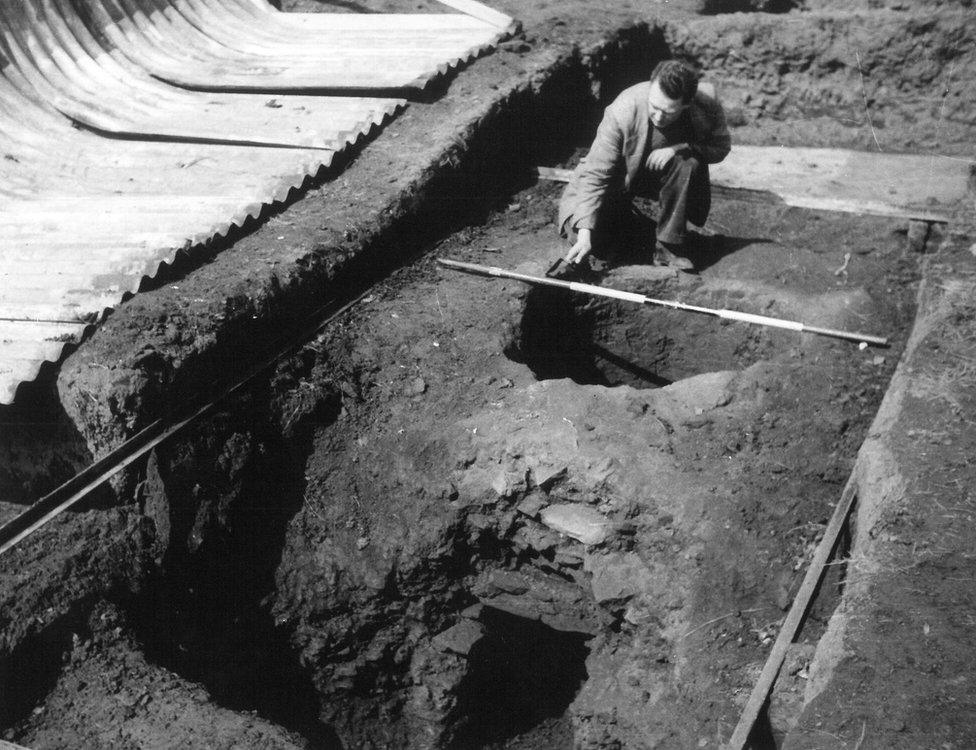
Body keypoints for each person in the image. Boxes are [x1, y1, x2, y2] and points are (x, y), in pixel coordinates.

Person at [558, 60, 731, 272]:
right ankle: (629, 224)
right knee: (584, 238)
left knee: (689, 162)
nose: (659, 117)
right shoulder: (623, 109)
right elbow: (596, 173)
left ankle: (668, 245)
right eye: (654, 107)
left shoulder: (705, 104)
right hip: (615, 179)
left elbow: (720, 148)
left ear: (687, 104)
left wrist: (680, 147)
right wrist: (585, 233)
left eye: (668, 112)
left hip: (652, 176)